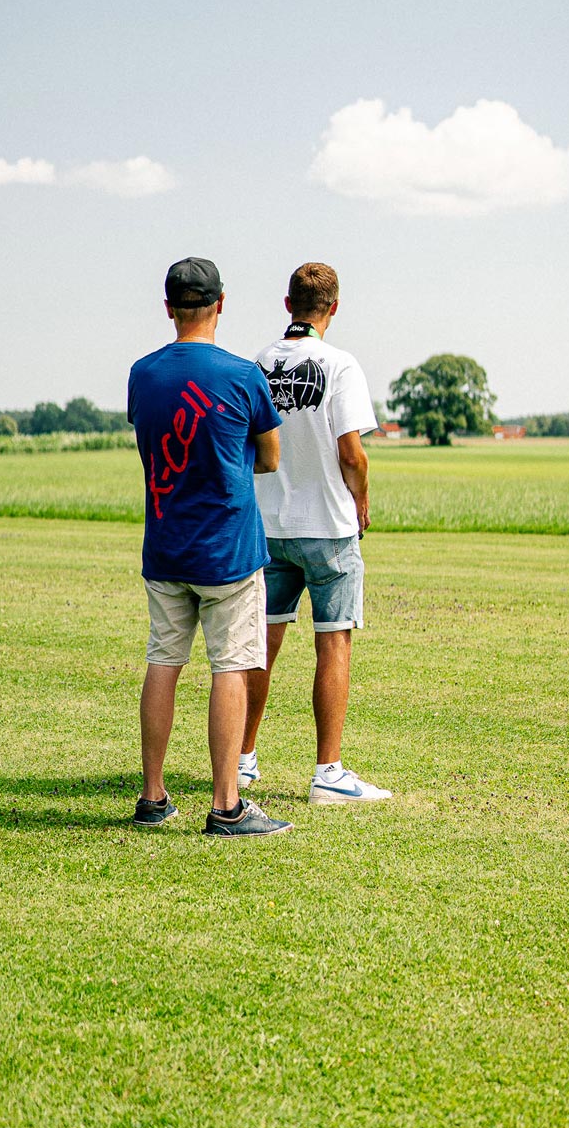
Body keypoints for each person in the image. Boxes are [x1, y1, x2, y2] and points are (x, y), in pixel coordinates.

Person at [126, 257, 290, 836]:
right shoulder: (243, 375)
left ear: (169, 308)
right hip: (228, 550)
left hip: (165, 545)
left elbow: (148, 443)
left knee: (163, 661)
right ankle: (226, 805)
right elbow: (269, 456)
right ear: (221, 304)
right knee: (232, 666)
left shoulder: (142, 374)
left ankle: (152, 797)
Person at [240, 262, 391, 804]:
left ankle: (241, 760)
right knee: (334, 643)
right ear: (334, 307)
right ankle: (329, 773)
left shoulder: (256, 362)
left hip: (268, 525)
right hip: (328, 526)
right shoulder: (341, 365)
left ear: (288, 305)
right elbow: (351, 452)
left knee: (260, 644)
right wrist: (363, 500)